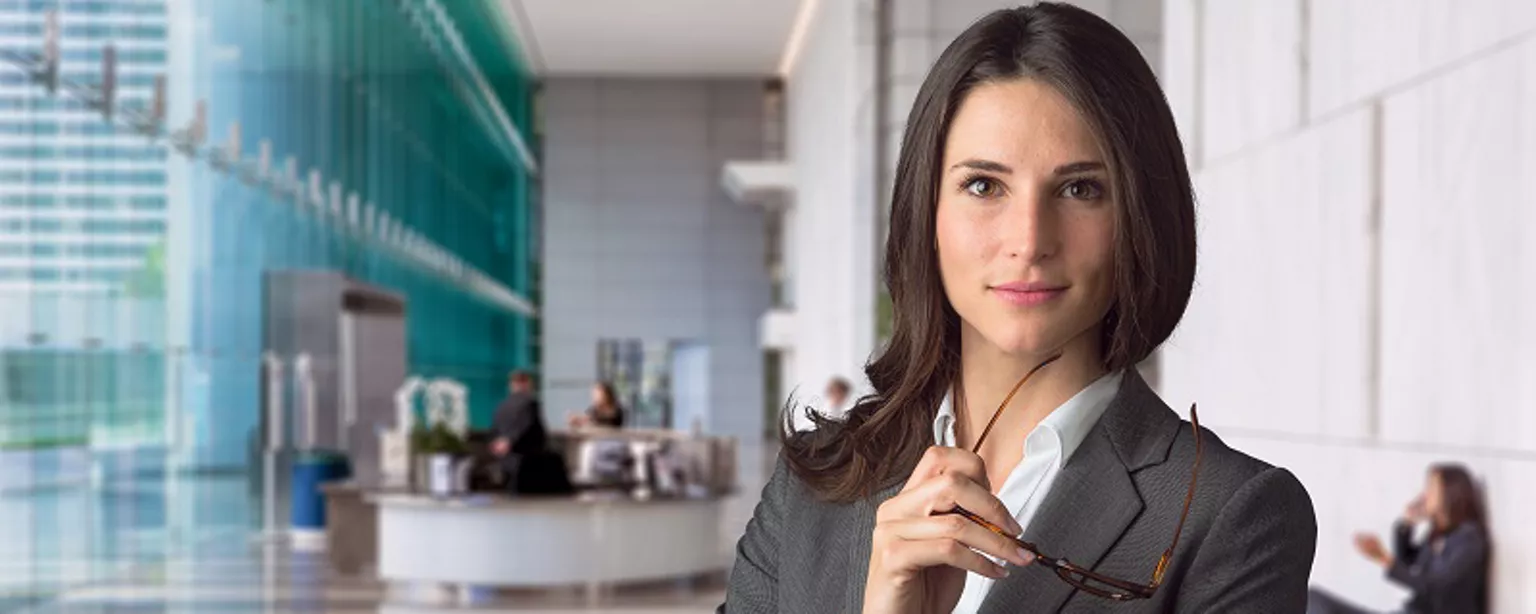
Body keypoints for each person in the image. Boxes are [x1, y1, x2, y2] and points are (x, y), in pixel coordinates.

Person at [721, 5, 1316, 613]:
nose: (1029, 240)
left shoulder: (1231, 515)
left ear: (1140, 218)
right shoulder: (815, 483)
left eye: (1080, 188)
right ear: (927, 214)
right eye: (984, 185)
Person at [1308, 464, 1491, 614]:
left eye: (1431, 487)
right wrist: (1407, 523)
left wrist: (1384, 559)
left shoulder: (1469, 541)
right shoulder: (1439, 535)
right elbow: (1407, 560)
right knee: (1311, 599)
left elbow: (1435, 587)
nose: (1425, 494)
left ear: (1450, 492)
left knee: (1319, 606)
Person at [490, 370, 569, 493]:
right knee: (556, 459)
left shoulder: (501, 406)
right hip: (528, 458)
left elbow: (494, 430)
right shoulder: (530, 403)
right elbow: (527, 427)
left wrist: (501, 443)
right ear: (525, 383)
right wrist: (510, 441)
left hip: (506, 457)